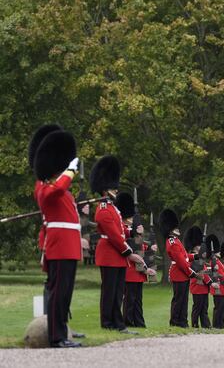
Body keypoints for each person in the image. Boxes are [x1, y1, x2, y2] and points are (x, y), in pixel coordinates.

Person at [32, 128, 82, 347]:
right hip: (59, 246)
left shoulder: (60, 189)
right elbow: (57, 190)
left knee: (65, 294)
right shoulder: (44, 188)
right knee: (58, 294)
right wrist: (70, 171)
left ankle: (61, 334)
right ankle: (56, 337)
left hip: (68, 246)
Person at [91, 156, 142, 334]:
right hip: (110, 254)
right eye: (113, 187)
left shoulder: (113, 208)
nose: (116, 189)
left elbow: (119, 230)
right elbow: (112, 234)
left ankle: (115, 322)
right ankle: (110, 322)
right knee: (110, 291)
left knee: (117, 291)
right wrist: (128, 252)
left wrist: (132, 232)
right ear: (105, 190)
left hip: (116, 254)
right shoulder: (104, 209)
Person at [118, 194, 156, 328]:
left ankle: (139, 322)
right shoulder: (124, 229)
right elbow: (132, 250)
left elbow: (141, 249)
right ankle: (128, 322)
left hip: (138, 272)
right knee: (130, 300)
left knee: (137, 300)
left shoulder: (134, 233)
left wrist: (150, 248)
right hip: (130, 270)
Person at [160, 209, 197, 327]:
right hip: (179, 273)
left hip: (182, 274)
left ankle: (182, 321)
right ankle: (175, 322)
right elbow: (181, 261)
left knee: (183, 300)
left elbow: (185, 256)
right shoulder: (172, 242)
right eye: (176, 227)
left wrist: (195, 256)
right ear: (171, 229)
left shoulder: (176, 241)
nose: (178, 229)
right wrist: (191, 272)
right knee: (179, 300)